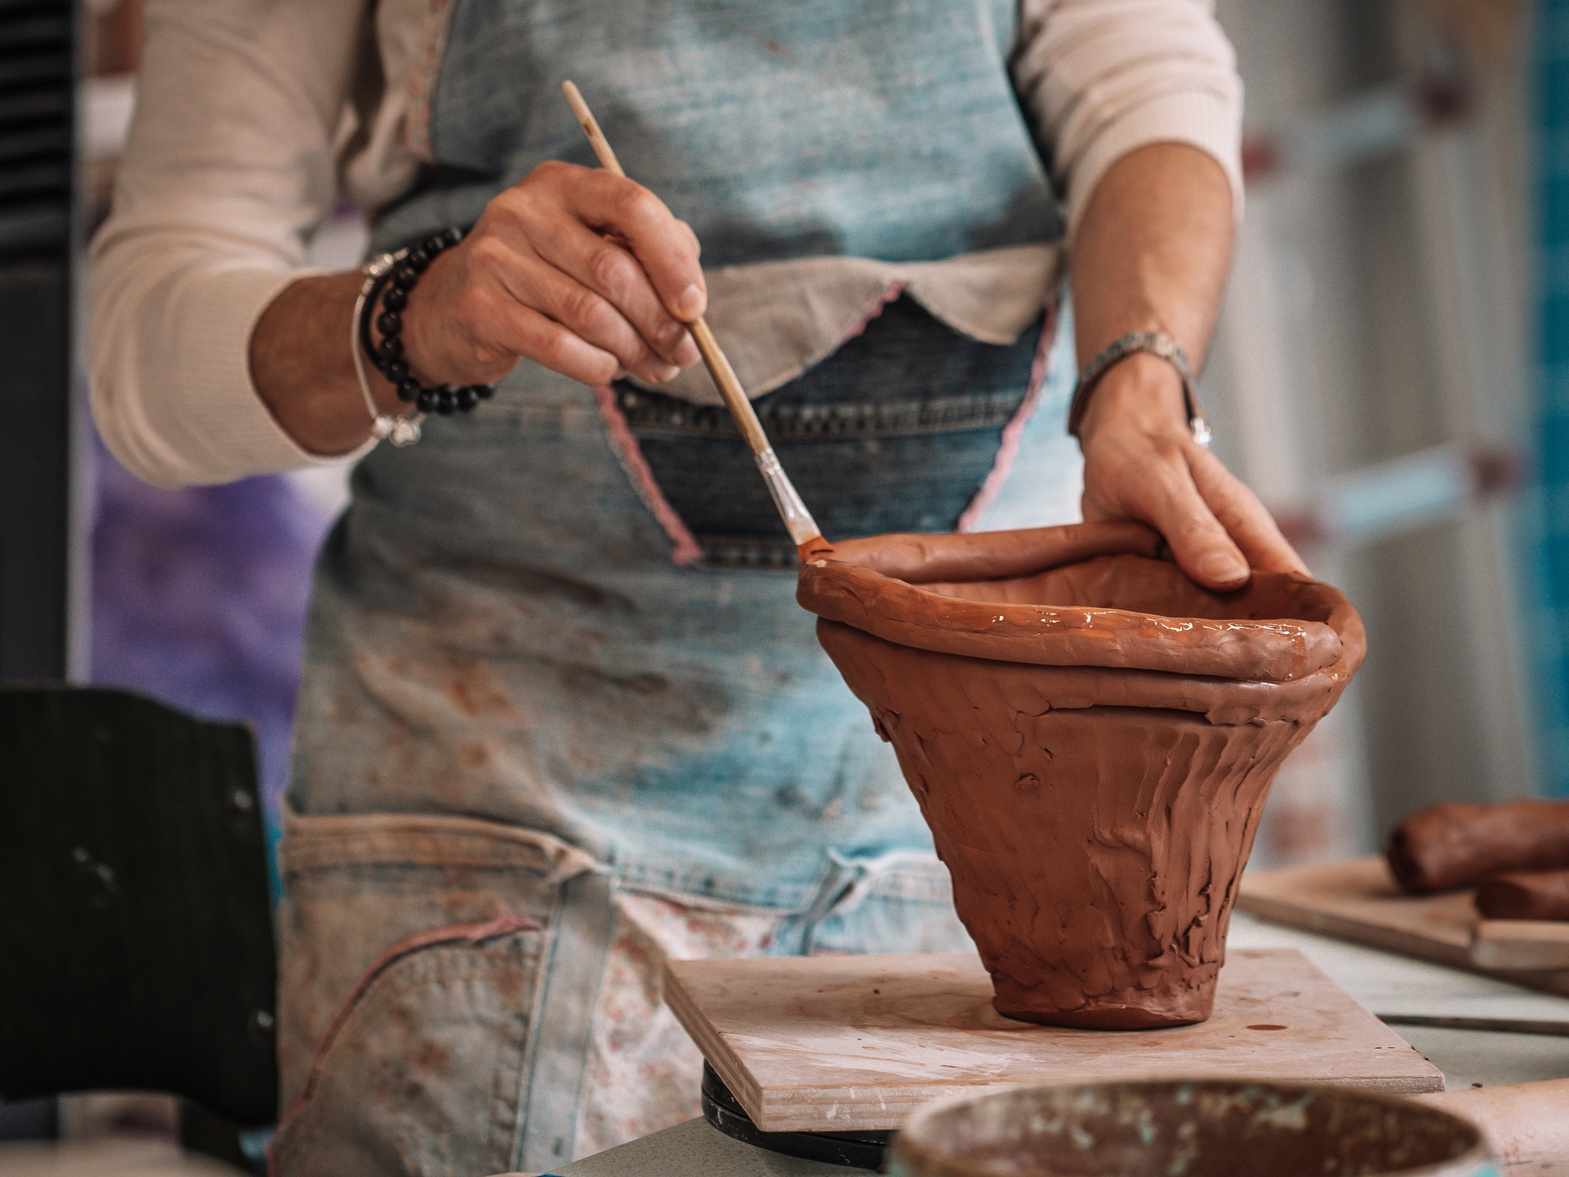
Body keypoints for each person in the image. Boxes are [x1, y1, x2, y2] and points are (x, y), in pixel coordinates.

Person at [90, 2, 1306, 1174]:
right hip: (516, 833)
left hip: (981, 867)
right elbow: (145, 351)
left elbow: (1146, 77)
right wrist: (416, 313)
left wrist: (1140, 375)